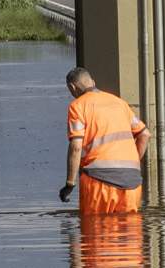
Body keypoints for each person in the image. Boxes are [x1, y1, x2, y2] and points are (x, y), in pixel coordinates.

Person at [60, 67, 147, 211]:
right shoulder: (119, 103)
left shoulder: (78, 106)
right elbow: (144, 134)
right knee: (131, 229)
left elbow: (76, 147)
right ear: (93, 82)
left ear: (72, 87)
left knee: (96, 229)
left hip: (99, 181)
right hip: (132, 182)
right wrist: (133, 164)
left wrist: (70, 183)